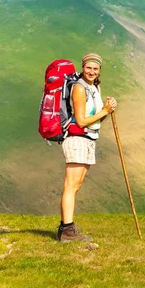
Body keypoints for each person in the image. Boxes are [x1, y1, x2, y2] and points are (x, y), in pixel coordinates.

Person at [57, 53, 118, 242]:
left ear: (99, 70)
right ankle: (66, 230)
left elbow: (96, 119)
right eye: (88, 68)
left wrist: (107, 110)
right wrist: (105, 111)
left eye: (95, 68)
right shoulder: (79, 88)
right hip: (77, 139)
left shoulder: (94, 87)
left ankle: (67, 228)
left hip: (88, 139)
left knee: (76, 185)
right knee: (71, 185)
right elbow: (82, 121)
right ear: (83, 68)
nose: (91, 71)